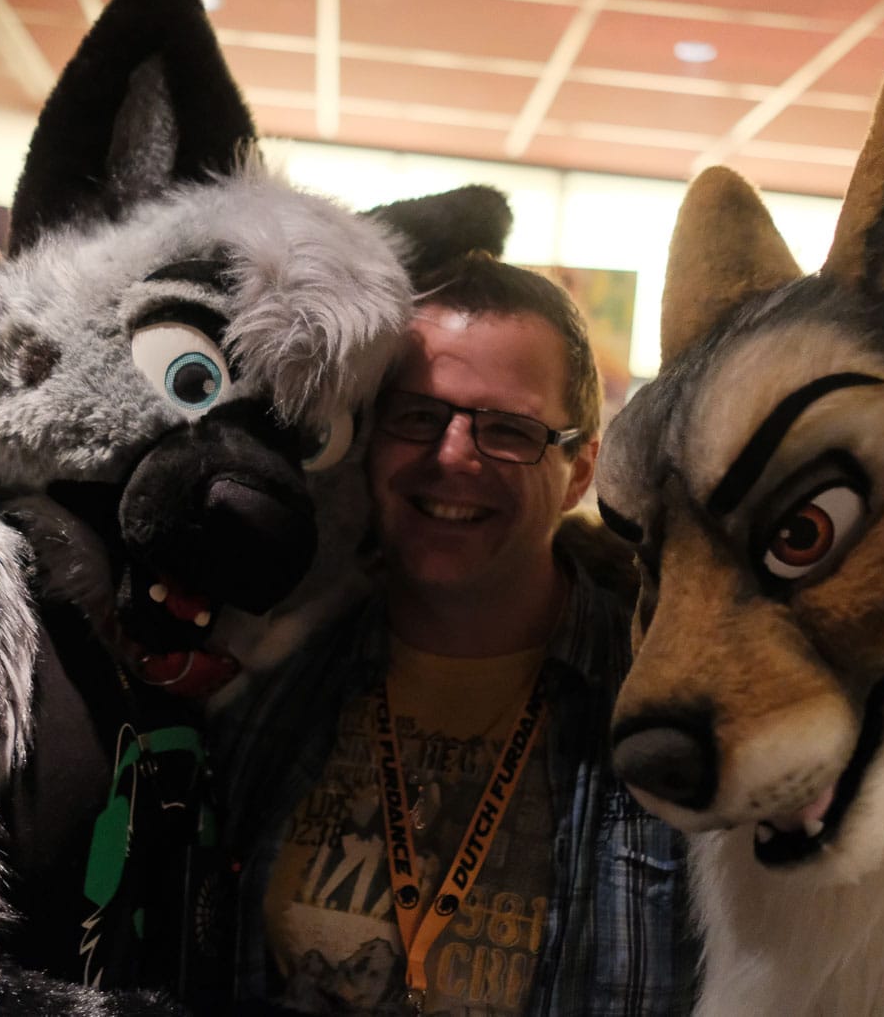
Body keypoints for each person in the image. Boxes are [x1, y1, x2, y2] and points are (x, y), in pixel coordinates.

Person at [218, 252, 695, 1017]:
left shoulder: (662, 702)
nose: (451, 455)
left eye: (508, 429)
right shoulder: (272, 678)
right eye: (418, 416)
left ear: (580, 473)